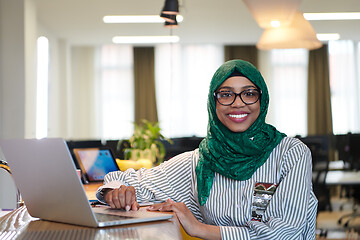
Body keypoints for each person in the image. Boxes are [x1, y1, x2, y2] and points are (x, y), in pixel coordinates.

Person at [96, 59, 317, 239]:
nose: (238, 103)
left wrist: (199, 229)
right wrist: (116, 192)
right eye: (226, 94)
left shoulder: (291, 153)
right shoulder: (200, 161)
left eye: (249, 93)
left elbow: (286, 233)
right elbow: (123, 180)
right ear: (214, 103)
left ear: (262, 100)